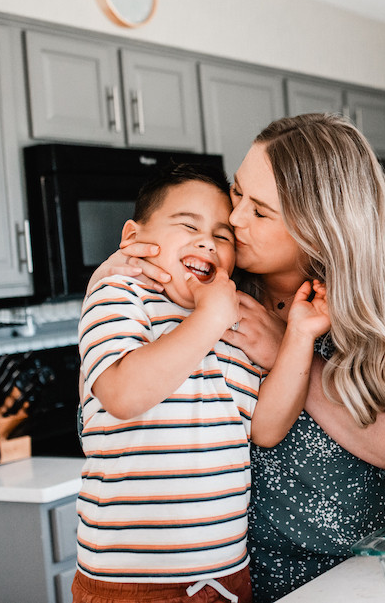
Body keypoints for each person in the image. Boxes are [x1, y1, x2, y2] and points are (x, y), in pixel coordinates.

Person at [90, 114, 385, 602]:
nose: (232, 220)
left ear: (320, 229)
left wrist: (285, 350)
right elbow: (120, 400)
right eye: (237, 193)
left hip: (366, 584)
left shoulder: (384, 309)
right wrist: (117, 281)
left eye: (261, 211)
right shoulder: (206, 292)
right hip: (230, 587)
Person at [73, 163, 328, 603]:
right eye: (187, 226)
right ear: (133, 238)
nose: (206, 242)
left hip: (225, 579)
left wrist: (299, 337)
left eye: (222, 236)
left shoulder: (234, 322)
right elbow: (122, 394)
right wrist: (211, 316)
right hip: (129, 585)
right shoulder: (119, 296)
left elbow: (266, 426)